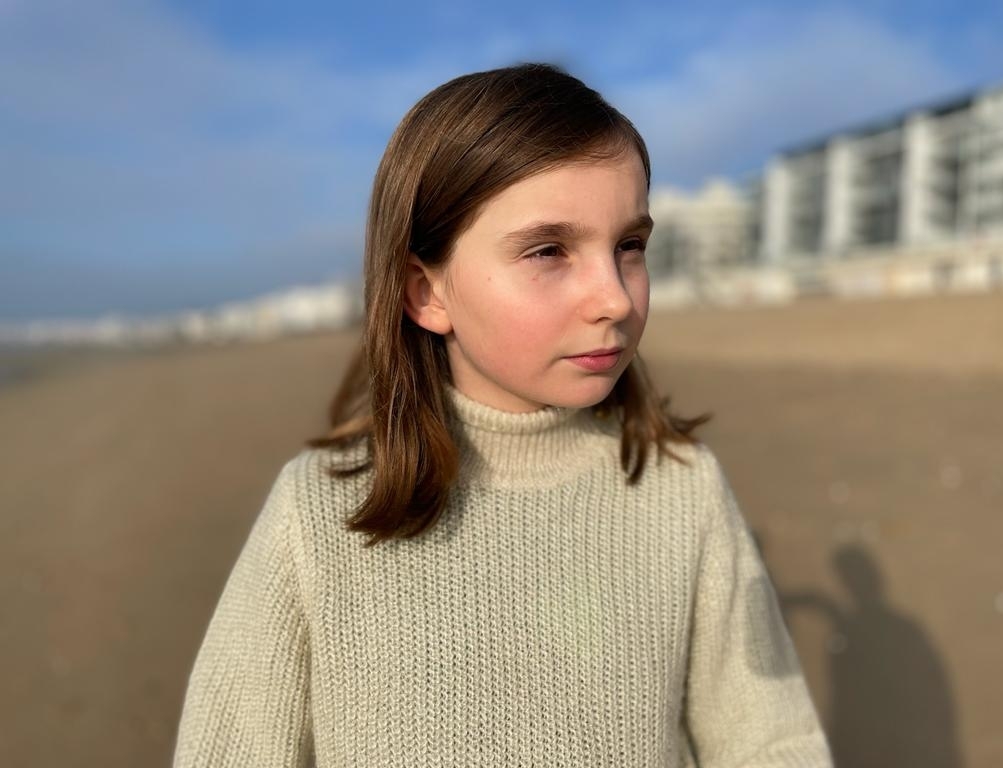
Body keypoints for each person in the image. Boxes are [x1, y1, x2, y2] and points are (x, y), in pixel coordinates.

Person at [173, 63, 832, 767]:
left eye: (629, 247)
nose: (614, 297)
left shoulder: (680, 487)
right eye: (548, 251)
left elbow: (771, 742)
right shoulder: (320, 513)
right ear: (426, 293)